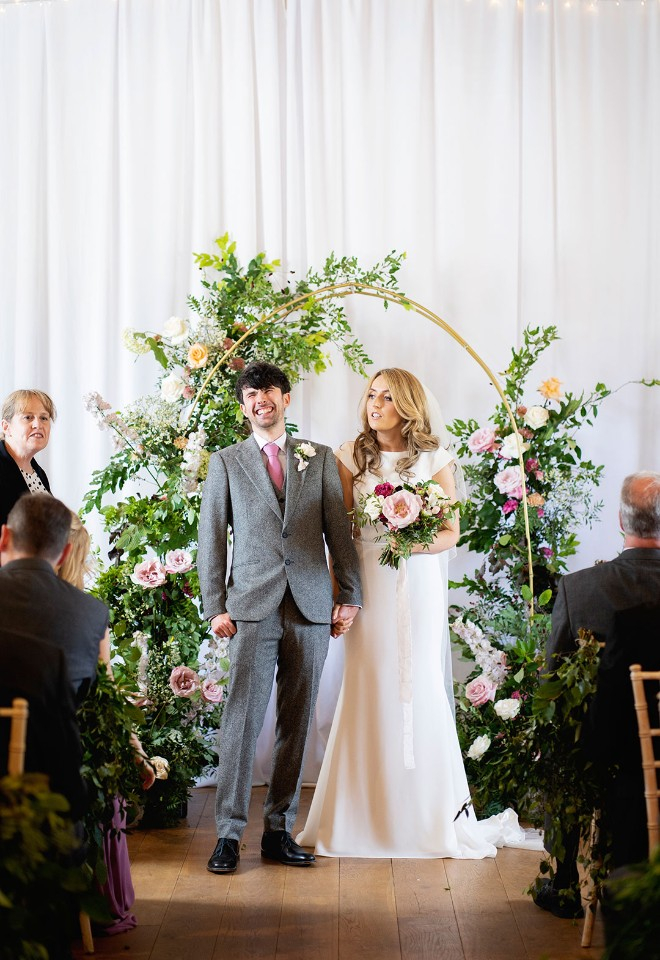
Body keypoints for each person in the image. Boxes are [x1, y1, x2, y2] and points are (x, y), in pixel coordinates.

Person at [296, 368, 498, 859]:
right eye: (371, 394)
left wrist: (408, 541)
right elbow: (338, 535)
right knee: (369, 683)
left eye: (387, 396)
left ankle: (425, 816)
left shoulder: (434, 458)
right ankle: (359, 816)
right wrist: (339, 593)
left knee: (419, 684)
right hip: (369, 586)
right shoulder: (350, 457)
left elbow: (450, 532)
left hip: (418, 584)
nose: (375, 403)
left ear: (407, 405)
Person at [197, 361, 362, 874]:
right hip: (249, 606)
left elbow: (340, 531)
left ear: (286, 399)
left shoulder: (318, 459)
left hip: (311, 605)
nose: (259, 398)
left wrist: (350, 595)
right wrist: (214, 606)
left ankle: (278, 830)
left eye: (268, 389)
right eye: (250, 393)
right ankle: (227, 834)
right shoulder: (225, 462)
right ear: (243, 405)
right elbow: (211, 537)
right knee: (241, 721)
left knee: (298, 719)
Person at [534, 470, 660, 919]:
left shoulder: (579, 588)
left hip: (608, 755)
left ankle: (564, 880)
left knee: (560, 736)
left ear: (620, 522)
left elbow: (551, 685)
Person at [57, 511, 155, 935]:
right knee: (105, 782)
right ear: (76, 556)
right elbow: (107, 690)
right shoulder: (90, 613)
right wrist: (135, 748)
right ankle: (97, 899)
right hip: (77, 744)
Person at [0, 494, 108, 702]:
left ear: (4, 536)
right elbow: (104, 701)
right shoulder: (94, 615)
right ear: (64, 552)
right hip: (58, 734)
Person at [1, 388, 55, 529]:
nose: (38, 424)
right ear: (6, 427)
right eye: (28, 417)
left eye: (44, 418)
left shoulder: (38, 473)